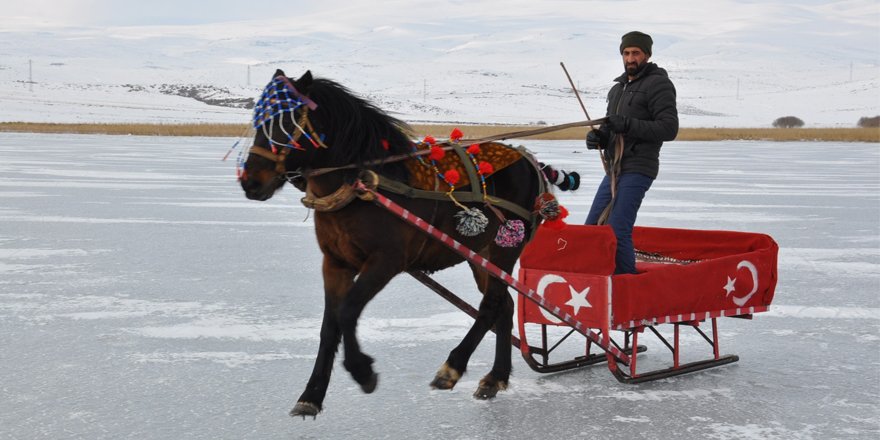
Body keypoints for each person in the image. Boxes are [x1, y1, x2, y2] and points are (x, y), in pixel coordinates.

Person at [585, 31, 678, 274]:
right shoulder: (617, 89)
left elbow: (669, 128)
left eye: (636, 53)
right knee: (592, 227)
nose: (630, 58)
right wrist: (599, 137)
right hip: (615, 168)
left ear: (647, 54)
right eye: (626, 53)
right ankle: (597, 281)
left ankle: (627, 286)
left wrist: (627, 125)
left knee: (617, 228)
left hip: (640, 167)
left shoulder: (659, 84)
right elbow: (611, 127)